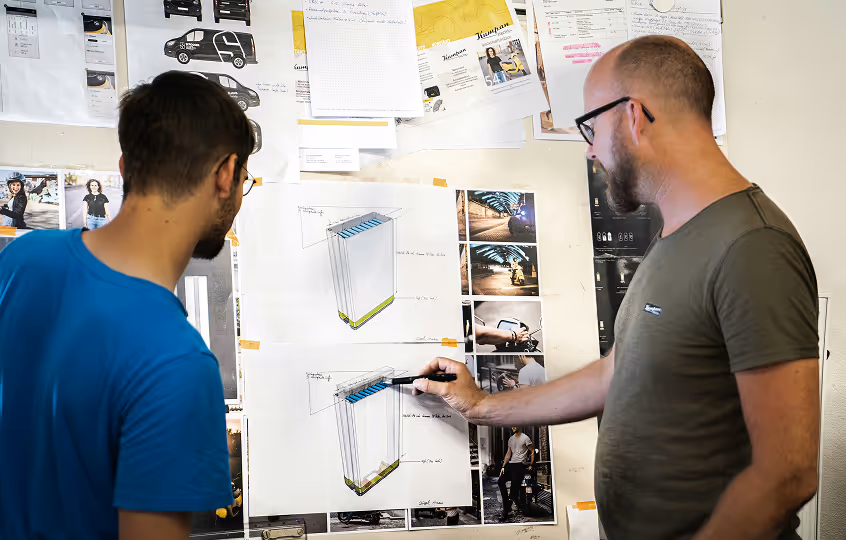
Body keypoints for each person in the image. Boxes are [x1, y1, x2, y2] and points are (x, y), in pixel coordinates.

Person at [414, 35, 819, 540]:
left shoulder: (753, 246)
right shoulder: (676, 236)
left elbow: (787, 473)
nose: (589, 150)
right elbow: (620, 372)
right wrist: (480, 406)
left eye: (590, 127)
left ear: (634, 116)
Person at [0, 71, 256, 540]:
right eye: (246, 180)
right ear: (225, 174)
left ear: (123, 167)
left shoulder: (21, 260)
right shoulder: (179, 364)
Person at [497, 427, 535, 521]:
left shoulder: (525, 438)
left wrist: (531, 464)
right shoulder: (511, 439)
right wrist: (503, 466)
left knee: (515, 480)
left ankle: (507, 508)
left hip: (521, 465)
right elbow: (508, 453)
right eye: (512, 426)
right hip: (511, 465)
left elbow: (533, 450)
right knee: (500, 481)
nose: (513, 427)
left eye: (515, 425)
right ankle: (508, 503)